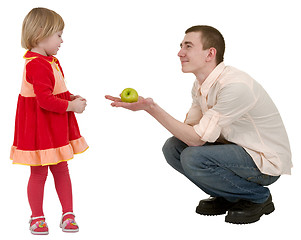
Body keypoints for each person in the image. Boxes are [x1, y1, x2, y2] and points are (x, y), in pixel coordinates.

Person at [105, 25, 292, 224]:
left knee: (193, 156)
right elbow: (189, 132)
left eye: (188, 46)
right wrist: (147, 106)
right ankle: (229, 196)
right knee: (173, 147)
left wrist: (151, 108)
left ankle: (258, 197)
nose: (180, 53)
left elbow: (196, 140)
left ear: (210, 53)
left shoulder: (234, 86)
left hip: (262, 163)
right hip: (234, 151)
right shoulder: (200, 84)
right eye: (181, 46)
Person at [10, 8, 88, 234]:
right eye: (59, 35)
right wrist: (71, 106)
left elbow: (52, 90)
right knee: (39, 171)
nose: (62, 41)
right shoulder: (37, 64)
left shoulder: (49, 60)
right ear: (41, 33)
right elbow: (44, 101)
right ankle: (37, 217)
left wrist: (69, 96)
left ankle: (68, 213)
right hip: (40, 128)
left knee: (61, 169)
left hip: (52, 127)